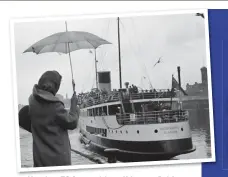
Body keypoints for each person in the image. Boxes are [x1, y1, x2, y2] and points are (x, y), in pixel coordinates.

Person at [28, 70, 79, 167]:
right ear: (55, 86)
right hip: (58, 161)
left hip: (40, 160)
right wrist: (73, 106)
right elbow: (72, 122)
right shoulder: (54, 106)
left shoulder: (32, 100)